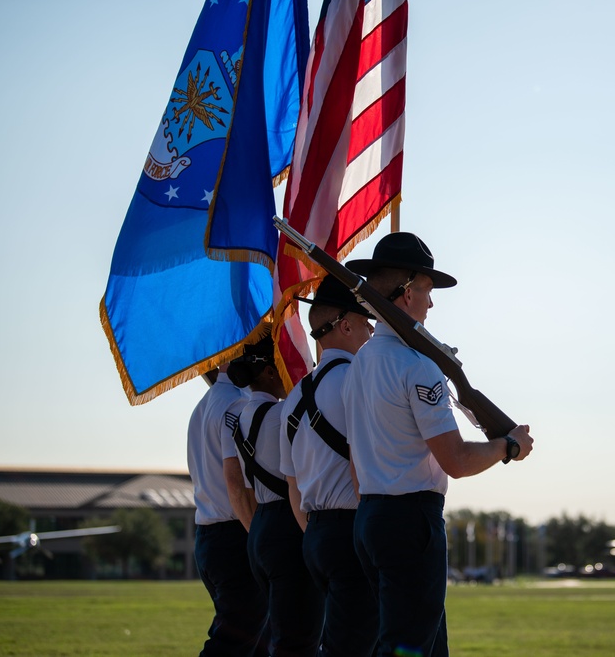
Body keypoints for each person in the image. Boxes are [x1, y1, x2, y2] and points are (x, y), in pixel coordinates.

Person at [342, 232, 534, 657]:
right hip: (410, 521)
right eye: (427, 290)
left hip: (371, 516)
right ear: (407, 292)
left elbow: (357, 460)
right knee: (406, 646)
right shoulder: (418, 367)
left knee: (422, 645)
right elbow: (457, 460)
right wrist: (509, 446)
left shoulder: (360, 364)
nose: (431, 303)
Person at [281, 275, 378, 657]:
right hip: (354, 532)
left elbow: (293, 486)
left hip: (316, 536)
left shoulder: (292, 398)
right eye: (366, 322)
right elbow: (363, 465)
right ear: (346, 324)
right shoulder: (359, 379)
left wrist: (316, 532)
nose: (371, 331)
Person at [227, 333, 324, 657]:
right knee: (299, 639)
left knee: (278, 634)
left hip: (261, 528)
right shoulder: (282, 414)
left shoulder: (240, 416)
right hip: (288, 526)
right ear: (269, 371)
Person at [187, 362, 268, 657]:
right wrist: (260, 540)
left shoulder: (203, 406)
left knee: (254, 641)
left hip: (210, 534)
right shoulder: (237, 404)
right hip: (237, 533)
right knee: (235, 643)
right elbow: (236, 484)